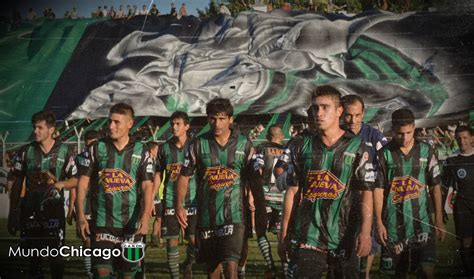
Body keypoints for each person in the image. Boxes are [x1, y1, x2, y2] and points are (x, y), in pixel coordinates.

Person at [278, 85, 375, 278]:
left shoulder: (358, 147)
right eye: (315, 108)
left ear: (339, 111)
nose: (319, 113)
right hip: (308, 235)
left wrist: (365, 232)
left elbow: (366, 192)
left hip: (344, 235)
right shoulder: (300, 145)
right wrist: (284, 233)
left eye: (325, 107)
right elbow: (292, 192)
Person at [176, 98, 255, 279]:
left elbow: (253, 177)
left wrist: (252, 197)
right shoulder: (197, 144)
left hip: (234, 215)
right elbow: (184, 176)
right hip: (207, 216)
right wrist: (180, 205)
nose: (217, 123)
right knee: (212, 270)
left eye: (221, 118)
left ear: (230, 119)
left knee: (230, 264)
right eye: (213, 119)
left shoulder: (244, 143)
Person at [76, 103, 154, 279]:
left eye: (117, 122)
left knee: (128, 275)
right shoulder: (96, 149)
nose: (111, 126)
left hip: (132, 227)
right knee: (102, 272)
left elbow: (147, 185)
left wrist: (145, 217)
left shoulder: (142, 151)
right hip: (103, 225)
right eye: (110, 122)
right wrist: (81, 216)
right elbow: (83, 183)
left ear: (130, 124)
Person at [374, 108, 446, 278]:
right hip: (393, 227)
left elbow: (436, 186)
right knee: (398, 274)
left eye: (408, 132)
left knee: (427, 272)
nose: (405, 138)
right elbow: (377, 189)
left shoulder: (427, 151)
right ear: (392, 130)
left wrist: (439, 218)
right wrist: (379, 222)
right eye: (400, 134)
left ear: (414, 128)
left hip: (422, 225)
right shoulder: (383, 154)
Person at [7, 110, 78, 279]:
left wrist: (61, 184)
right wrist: (13, 211)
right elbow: (17, 183)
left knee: (56, 257)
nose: (35, 131)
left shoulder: (65, 151)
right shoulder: (26, 151)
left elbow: (76, 179)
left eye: (40, 127)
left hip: (54, 212)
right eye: (34, 127)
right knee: (33, 258)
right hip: (30, 212)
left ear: (51, 129)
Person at [341, 94, 388, 278]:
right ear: (341, 113)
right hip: (343, 199)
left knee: (368, 240)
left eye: (357, 115)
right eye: (348, 115)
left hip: (368, 196)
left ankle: (365, 274)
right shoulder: (337, 134)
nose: (353, 120)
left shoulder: (374, 136)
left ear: (363, 113)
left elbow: (387, 164)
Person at [155, 111, 197, 279]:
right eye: (172, 124)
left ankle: (188, 264)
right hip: (171, 201)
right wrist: (152, 198)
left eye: (178, 124)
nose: (174, 127)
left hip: (192, 200)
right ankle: (175, 276)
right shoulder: (164, 148)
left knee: (195, 241)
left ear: (187, 126)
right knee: (171, 241)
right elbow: (158, 175)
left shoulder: (195, 145)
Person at [252, 124, 286, 276]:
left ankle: (271, 266)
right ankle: (285, 268)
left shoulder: (261, 148)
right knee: (282, 234)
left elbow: (257, 169)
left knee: (260, 231)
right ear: (282, 137)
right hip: (282, 197)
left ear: (267, 137)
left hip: (264, 196)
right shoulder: (287, 150)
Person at [69, 130, 100, 278]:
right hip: (88, 204)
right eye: (89, 146)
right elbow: (76, 185)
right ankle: (90, 271)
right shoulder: (82, 159)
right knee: (89, 239)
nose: (90, 149)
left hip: (97, 204)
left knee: (95, 239)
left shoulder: (102, 157)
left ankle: (94, 270)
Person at [444, 126, 474, 275]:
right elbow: (444, 185)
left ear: (472, 138)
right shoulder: (452, 160)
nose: (462, 141)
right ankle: (469, 272)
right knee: (465, 241)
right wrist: (441, 209)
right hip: (462, 205)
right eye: (459, 138)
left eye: (465, 138)